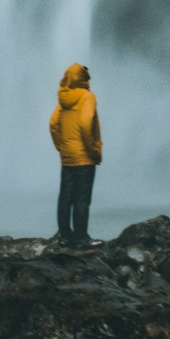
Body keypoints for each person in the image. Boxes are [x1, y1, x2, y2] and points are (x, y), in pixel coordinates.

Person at [49, 62, 103, 247]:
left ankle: (64, 236)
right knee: (82, 198)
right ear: (82, 79)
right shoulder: (87, 97)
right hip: (84, 156)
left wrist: (62, 147)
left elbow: (53, 123)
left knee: (65, 196)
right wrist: (93, 149)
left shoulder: (64, 98)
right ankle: (81, 237)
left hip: (67, 157)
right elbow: (86, 123)